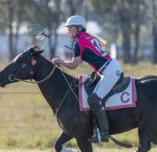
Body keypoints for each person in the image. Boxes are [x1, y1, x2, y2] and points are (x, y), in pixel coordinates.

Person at [52, 15, 123, 143]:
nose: (69, 31)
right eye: (68, 28)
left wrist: (60, 61)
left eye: (71, 28)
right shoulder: (87, 38)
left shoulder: (79, 42)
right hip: (108, 69)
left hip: (110, 71)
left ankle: (104, 133)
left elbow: (74, 65)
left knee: (93, 99)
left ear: (79, 28)